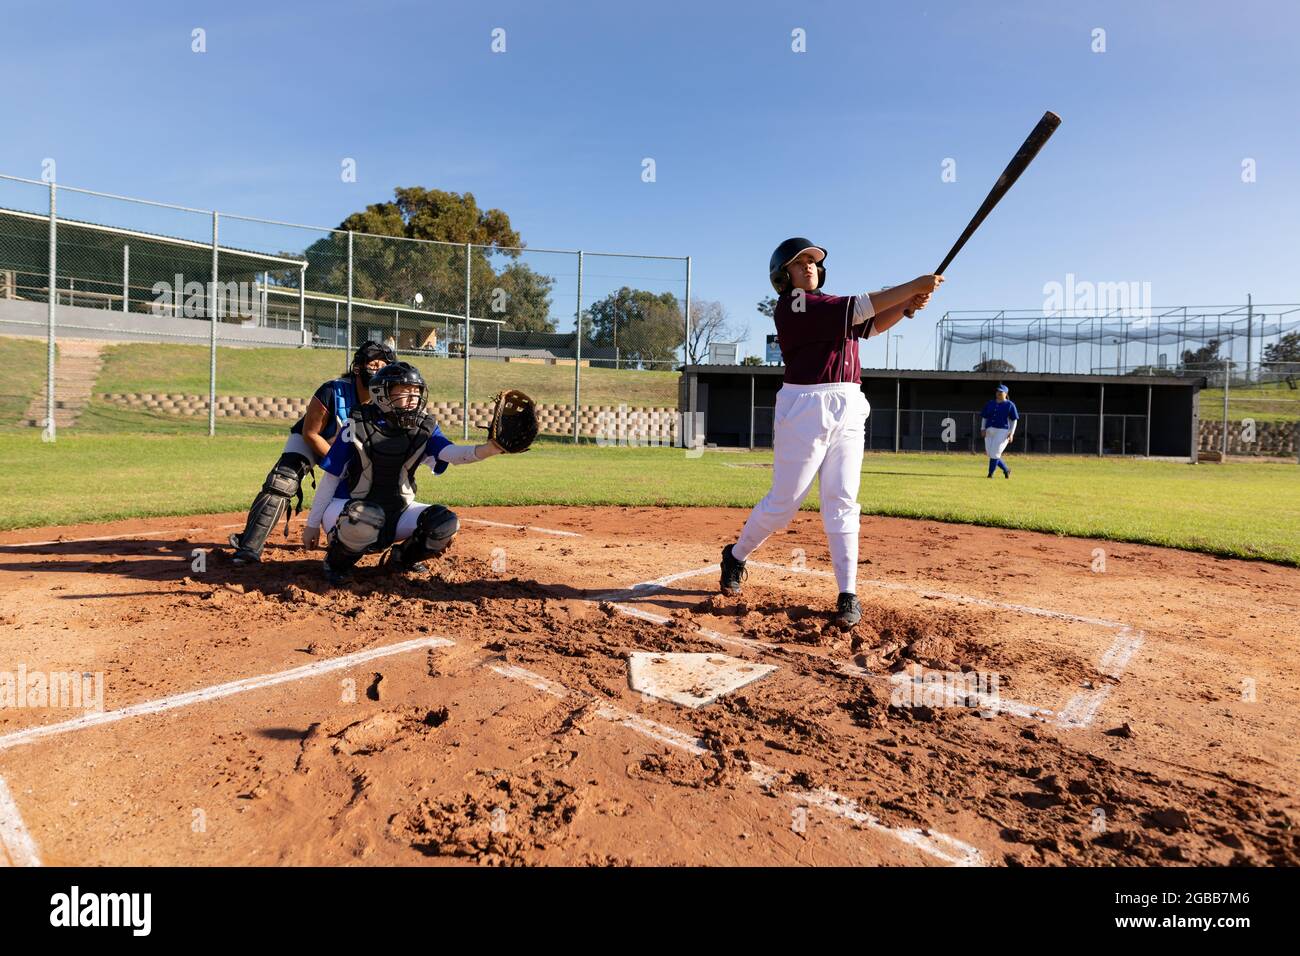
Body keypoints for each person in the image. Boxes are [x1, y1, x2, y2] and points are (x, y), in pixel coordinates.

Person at [718, 237, 942, 627]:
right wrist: (913, 286)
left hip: (849, 403)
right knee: (784, 502)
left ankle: (847, 592)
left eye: (813, 261)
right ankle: (735, 556)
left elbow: (870, 326)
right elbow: (862, 307)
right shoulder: (795, 305)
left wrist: (906, 306)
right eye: (799, 262)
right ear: (782, 276)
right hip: (805, 406)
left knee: (842, 499)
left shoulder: (830, 307)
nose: (809, 266)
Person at [301, 362, 519, 585]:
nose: (413, 396)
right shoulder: (356, 424)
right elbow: (331, 479)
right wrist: (311, 525)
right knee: (366, 516)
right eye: (405, 390)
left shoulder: (424, 426)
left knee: (444, 524)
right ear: (382, 394)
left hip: (398, 512)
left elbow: (450, 453)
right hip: (348, 508)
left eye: (416, 391)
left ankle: (402, 559)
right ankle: (337, 563)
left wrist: (490, 449)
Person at [227, 341, 396, 564]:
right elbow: (311, 433)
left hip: (351, 449)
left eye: (384, 366)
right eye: (374, 365)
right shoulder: (332, 390)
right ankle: (248, 546)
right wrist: (340, 464)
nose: (379, 371)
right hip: (315, 439)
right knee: (282, 481)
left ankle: (378, 542)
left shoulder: (387, 401)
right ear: (358, 368)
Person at [980, 384, 1019, 478]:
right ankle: (1006, 470)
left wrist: (1011, 433)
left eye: (1001, 392)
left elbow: (1014, 420)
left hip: (1003, 431)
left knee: (995, 453)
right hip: (989, 430)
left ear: (1006, 394)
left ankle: (990, 474)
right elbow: (985, 417)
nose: (998, 393)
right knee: (990, 453)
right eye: (997, 391)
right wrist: (982, 428)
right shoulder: (990, 403)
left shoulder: (1010, 405)